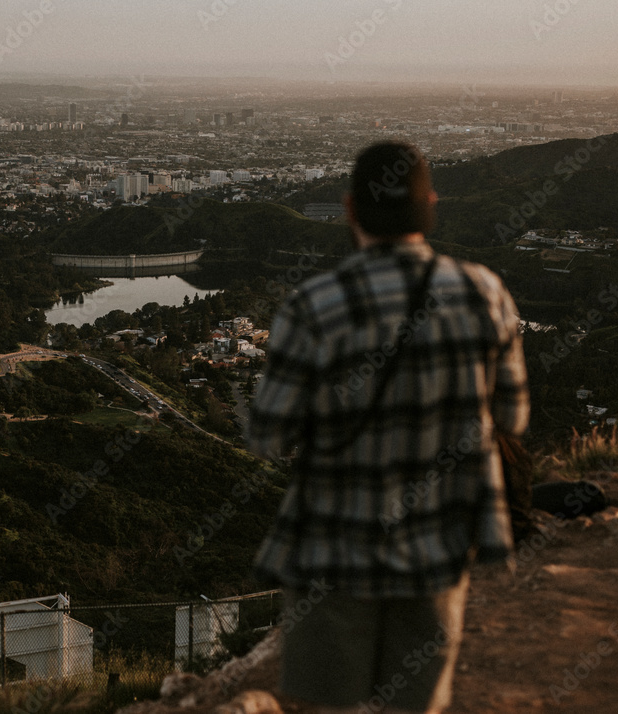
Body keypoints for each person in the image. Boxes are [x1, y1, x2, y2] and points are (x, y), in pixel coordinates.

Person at [246, 141, 529, 714]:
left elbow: (266, 437)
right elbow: (514, 419)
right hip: (440, 542)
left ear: (351, 209)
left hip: (335, 550)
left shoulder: (314, 306)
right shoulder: (485, 293)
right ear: (431, 204)